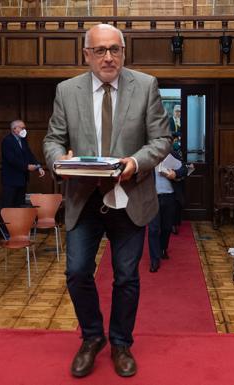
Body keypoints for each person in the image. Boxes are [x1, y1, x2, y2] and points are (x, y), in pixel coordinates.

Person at [43, 24, 170, 378]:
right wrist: (58, 161)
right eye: (100, 50)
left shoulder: (146, 86)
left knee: (127, 277)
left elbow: (161, 139)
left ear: (124, 52)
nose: (108, 57)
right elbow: (53, 139)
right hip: (83, 200)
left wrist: (136, 162)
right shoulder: (66, 91)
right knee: (77, 272)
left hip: (130, 199)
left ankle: (120, 343)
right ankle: (92, 337)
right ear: (86, 55)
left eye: (115, 49)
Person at [147, 149, 189, 273]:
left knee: (166, 227)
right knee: (153, 229)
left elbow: (185, 169)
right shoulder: (148, 155)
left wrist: (175, 174)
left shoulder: (173, 154)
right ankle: (155, 260)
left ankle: (163, 248)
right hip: (152, 198)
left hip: (170, 197)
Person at [1, 119, 45, 208]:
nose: (24, 130)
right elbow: (11, 159)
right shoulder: (7, 141)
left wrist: (38, 166)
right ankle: (7, 222)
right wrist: (26, 167)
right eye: (22, 128)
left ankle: (18, 222)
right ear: (14, 129)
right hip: (11, 180)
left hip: (22, 179)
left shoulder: (23, 140)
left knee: (19, 205)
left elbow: (29, 154)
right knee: (9, 205)